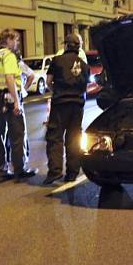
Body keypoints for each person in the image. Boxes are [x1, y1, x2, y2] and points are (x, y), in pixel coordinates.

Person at [0, 29, 37, 182]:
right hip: (9, 99)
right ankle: (19, 169)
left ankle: (1, 171)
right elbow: (9, 78)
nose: (17, 43)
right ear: (8, 40)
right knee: (18, 135)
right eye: (15, 40)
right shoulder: (8, 56)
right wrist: (16, 100)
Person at [43, 34, 90, 184]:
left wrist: (56, 90)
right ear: (78, 47)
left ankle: (55, 171)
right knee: (74, 138)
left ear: (66, 45)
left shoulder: (57, 61)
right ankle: (72, 173)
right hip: (77, 105)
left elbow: (49, 82)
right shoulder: (84, 65)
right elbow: (85, 85)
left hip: (60, 104)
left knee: (55, 137)